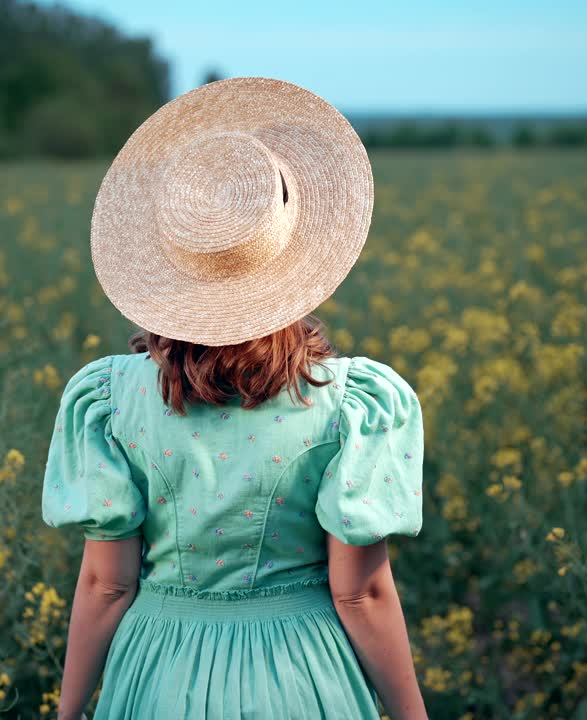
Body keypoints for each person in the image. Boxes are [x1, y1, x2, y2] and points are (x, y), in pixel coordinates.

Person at [42, 77, 429, 720]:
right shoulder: (351, 403)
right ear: (296, 250)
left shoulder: (108, 398)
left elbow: (107, 583)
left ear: (167, 258)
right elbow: (361, 596)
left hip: (159, 676)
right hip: (304, 677)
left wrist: (69, 711)